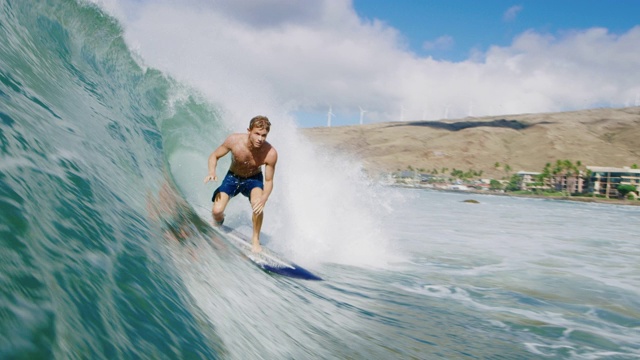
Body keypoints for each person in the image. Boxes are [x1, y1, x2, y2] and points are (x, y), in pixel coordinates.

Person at [203, 115, 278, 252]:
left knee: (257, 205)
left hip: (254, 179)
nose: (260, 139)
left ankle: (255, 240)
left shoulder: (270, 153)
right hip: (232, 178)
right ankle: (219, 220)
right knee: (217, 211)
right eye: (257, 134)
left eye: (264, 135)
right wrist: (212, 172)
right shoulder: (234, 141)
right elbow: (214, 155)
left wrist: (264, 198)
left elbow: (269, 180)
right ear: (249, 130)